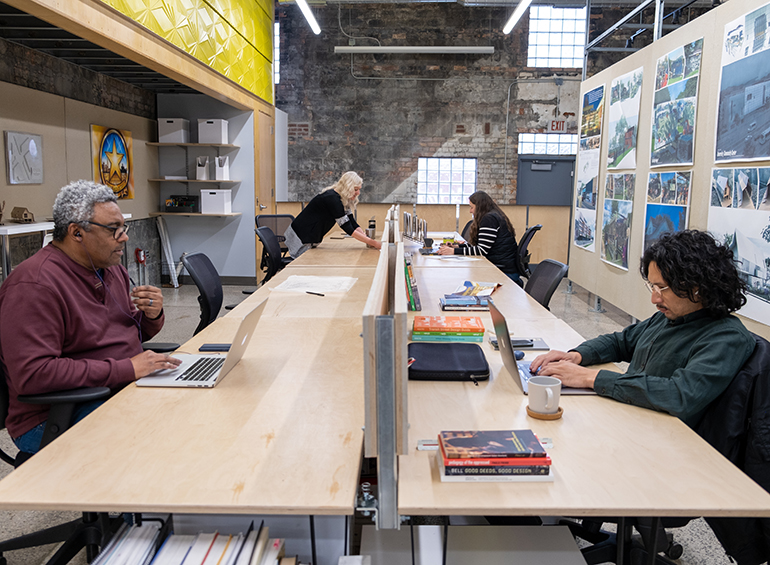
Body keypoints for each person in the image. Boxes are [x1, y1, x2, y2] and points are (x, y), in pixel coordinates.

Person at [0, 180, 181, 454]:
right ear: (76, 233)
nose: (124, 237)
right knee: (162, 444)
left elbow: (125, 334)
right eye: (113, 230)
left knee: (191, 412)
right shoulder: (34, 286)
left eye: (124, 227)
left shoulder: (110, 269)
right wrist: (127, 369)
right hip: (55, 416)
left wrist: (151, 316)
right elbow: (34, 373)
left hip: (115, 389)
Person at [531, 229, 755, 428]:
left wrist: (591, 378)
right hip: (631, 417)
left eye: (662, 288)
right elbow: (620, 342)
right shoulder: (669, 317)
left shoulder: (726, 337)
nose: (654, 298)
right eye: (652, 286)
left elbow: (679, 395)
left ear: (697, 287)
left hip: (666, 439)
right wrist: (577, 356)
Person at [284, 171, 382, 258]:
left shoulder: (342, 199)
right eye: (356, 189)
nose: (358, 193)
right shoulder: (332, 199)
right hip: (300, 238)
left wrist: (365, 237)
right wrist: (374, 243)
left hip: (309, 238)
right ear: (348, 187)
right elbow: (347, 227)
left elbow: (351, 222)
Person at [438, 191, 523, 284]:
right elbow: (481, 246)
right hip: (501, 266)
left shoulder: (489, 219)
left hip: (502, 271)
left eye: (472, 207)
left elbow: (481, 250)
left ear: (480, 207)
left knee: (457, 278)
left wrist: (453, 251)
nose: (470, 211)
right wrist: (456, 247)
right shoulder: (494, 215)